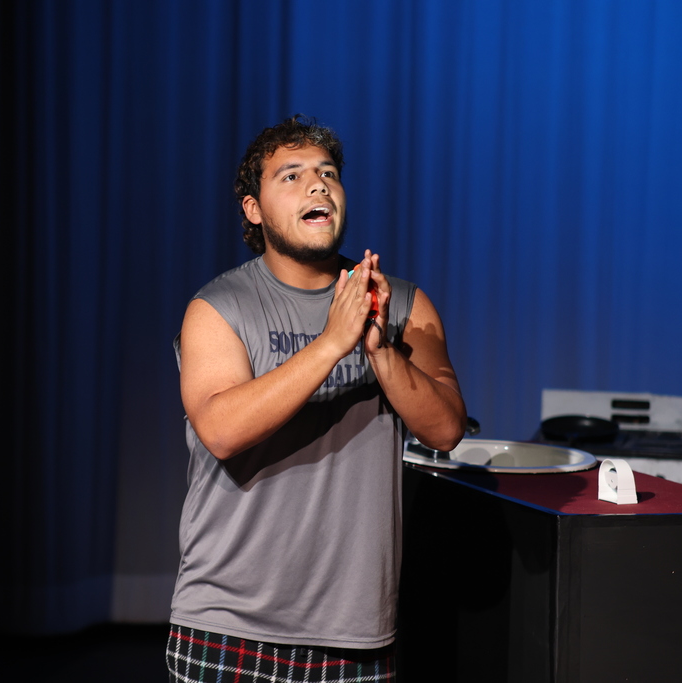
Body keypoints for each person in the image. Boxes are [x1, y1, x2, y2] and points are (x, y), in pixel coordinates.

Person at [166, 115, 467, 682]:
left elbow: (447, 429)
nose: (318, 186)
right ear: (253, 208)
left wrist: (379, 349)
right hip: (230, 624)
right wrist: (332, 343)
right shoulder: (217, 307)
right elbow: (221, 429)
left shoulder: (401, 304)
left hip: (352, 631)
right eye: (293, 175)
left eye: (329, 174)